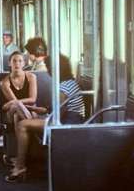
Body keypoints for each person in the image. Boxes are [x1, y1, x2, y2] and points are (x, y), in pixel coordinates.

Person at [6, 53, 85, 182]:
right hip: (67, 120)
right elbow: (56, 110)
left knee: (22, 125)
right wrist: (36, 110)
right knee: (21, 117)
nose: (48, 71)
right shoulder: (69, 83)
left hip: (66, 126)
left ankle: (20, 166)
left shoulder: (63, 87)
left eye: (49, 67)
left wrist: (38, 116)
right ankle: (23, 160)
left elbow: (57, 116)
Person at [0, 51, 38, 130]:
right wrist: (12, 103)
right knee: (18, 106)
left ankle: (26, 137)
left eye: (20, 61)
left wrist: (11, 103)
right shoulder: (5, 82)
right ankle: (35, 130)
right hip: (10, 111)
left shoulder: (31, 77)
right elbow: (15, 102)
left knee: (18, 116)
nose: (17, 63)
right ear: (9, 63)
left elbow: (33, 99)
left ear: (24, 63)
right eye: (14, 61)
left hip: (28, 108)